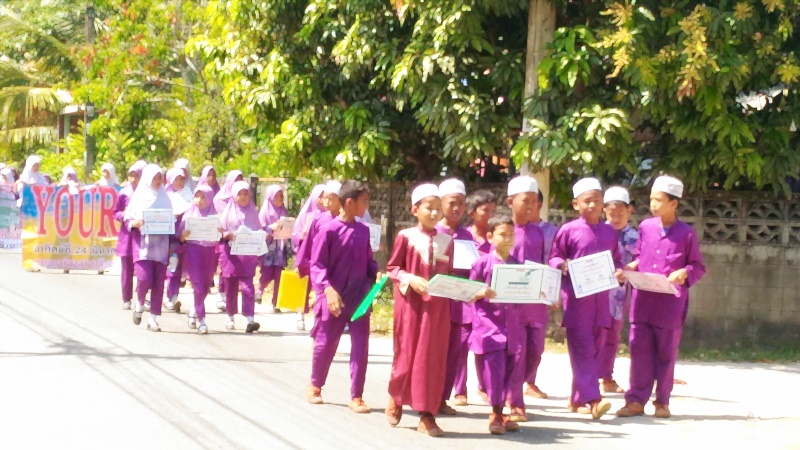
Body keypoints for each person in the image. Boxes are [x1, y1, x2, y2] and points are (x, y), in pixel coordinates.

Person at [616, 176, 706, 419]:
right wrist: (629, 268)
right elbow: (639, 257)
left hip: (669, 306)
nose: (653, 204)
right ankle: (635, 400)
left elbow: (698, 266)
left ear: (673, 204)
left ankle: (662, 402)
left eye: (658, 200)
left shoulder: (686, 234)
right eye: (651, 199)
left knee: (666, 353)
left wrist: (684, 272)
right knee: (639, 351)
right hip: (642, 302)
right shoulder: (645, 227)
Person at [549, 177, 623, 420]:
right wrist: (563, 265)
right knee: (582, 350)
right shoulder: (568, 230)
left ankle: (577, 399)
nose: (592, 205)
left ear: (603, 204)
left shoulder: (609, 232)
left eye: (597, 201)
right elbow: (554, 257)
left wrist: (619, 272)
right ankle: (593, 399)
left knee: (595, 351)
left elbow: (617, 260)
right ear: (576, 204)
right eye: (587, 201)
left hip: (602, 302)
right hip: (577, 303)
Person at [385, 183, 454, 437]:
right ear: (415, 210)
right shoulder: (406, 237)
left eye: (438, 208)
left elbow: (451, 274)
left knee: (431, 359)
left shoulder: (448, 241)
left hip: (437, 310)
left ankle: (427, 415)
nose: (434, 213)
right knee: (406, 355)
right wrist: (410, 279)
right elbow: (392, 269)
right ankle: (397, 397)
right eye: (429, 207)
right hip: (411, 307)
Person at [307, 180, 377, 414]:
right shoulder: (328, 230)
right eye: (364, 201)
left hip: (360, 298)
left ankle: (357, 396)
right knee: (326, 343)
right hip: (333, 298)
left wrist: (376, 272)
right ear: (349, 202)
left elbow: (368, 261)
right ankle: (315, 385)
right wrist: (327, 290)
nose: (366, 206)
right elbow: (317, 265)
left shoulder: (363, 231)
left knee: (360, 346)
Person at [469, 215, 521, 435]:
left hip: (512, 325)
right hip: (489, 325)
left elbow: (523, 292)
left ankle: (502, 411)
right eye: (502, 234)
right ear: (490, 237)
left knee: (510, 368)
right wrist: (482, 291)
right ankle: (496, 412)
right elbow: (469, 291)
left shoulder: (518, 265)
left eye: (511, 234)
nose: (508, 238)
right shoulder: (482, 263)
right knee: (494, 369)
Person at [504, 176, 547, 422]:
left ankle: (511, 389)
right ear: (511, 202)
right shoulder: (503, 231)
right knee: (517, 353)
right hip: (511, 304)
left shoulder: (538, 233)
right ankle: (515, 401)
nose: (531, 205)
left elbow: (543, 264)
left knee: (535, 351)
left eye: (534, 201)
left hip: (534, 304)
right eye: (525, 200)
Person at [436, 178, 475, 414]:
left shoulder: (467, 236)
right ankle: (428, 398)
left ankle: (442, 398)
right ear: (441, 203)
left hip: (460, 304)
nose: (457, 208)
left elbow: (472, 269)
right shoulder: (434, 233)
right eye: (452, 203)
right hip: (437, 302)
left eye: (461, 203)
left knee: (454, 352)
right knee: (435, 351)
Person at [599, 186, 639, 394]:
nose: (615, 218)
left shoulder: (635, 236)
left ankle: (607, 377)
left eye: (620, 214)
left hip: (619, 296)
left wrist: (631, 267)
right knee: (594, 335)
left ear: (629, 210)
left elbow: (644, 257)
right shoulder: (598, 232)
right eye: (611, 213)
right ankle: (588, 376)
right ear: (604, 211)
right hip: (595, 294)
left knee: (612, 336)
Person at [125, 164, 173, 332]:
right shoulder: (138, 197)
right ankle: (139, 303)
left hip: (161, 247)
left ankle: (153, 319)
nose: (158, 181)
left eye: (160, 177)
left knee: (159, 284)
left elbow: (170, 220)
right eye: (155, 178)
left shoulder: (165, 198)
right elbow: (127, 219)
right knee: (144, 279)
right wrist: (135, 223)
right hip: (143, 247)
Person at [218, 181, 263, 333]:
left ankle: (250, 318)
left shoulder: (253, 212)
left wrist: (262, 236)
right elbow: (219, 231)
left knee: (248, 287)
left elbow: (258, 230)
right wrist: (227, 235)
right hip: (231, 255)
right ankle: (230, 316)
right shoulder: (227, 213)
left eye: (246, 194)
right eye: (240, 194)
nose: (243, 197)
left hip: (247, 255)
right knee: (231, 286)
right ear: (234, 196)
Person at [294, 182, 339, 327]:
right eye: (322, 197)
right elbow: (303, 242)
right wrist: (300, 263)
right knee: (318, 297)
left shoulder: (346, 220)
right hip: (317, 265)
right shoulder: (316, 219)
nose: (324, 201)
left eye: (329, 198)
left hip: (335, 267)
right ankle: (309, 321)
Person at [177, 185, 219, 334]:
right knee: (198, 286)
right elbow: (180, 237)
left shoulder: (216, 216)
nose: (199, 200)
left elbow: (221, 236)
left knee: (206, 286)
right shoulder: (189, 215)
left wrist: (220, 231)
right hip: (193, 251)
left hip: (209, 253)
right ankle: (202, 321)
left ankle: (194, 311)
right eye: (197, 196)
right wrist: (184, 235)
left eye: (203, 197)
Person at [114, 161, 147, 310]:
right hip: (127, 236)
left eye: (136, 176)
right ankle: (126, 298)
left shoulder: (148, 193)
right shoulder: (124, 193)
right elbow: (115, 213)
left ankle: (142, 297)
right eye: (131, 176)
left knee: (142, 268)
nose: (133, 179)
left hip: (142, 236)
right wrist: (124, 214)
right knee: (127, 269)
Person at [213, 170, 244, 310]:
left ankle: (230, 296)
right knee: (225, 266)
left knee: (235, 268)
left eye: (240, 180)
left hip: (240, 239)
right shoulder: (219, 200)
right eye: (236, 180)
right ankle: (221, 294)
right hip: (223, 237)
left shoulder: (242, 197)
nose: (238, 183)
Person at [164, 167, 194, 312]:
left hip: (182, 239)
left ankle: (173, 295)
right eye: (176, 179)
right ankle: (167, 296)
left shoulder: (188, 196)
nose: (179, 182)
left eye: (182, 179)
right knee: (170, 267)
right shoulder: (164, 196)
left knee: (176, 268)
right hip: (167, 238)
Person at [256, 184, 289, 311]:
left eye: (281, 196)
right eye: (277, 196)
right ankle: (259, 290)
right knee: (267, 273)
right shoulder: (264, 211)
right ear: (270, 197)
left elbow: (288, 227)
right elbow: (259, 227)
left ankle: (276, 303)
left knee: (279, 275)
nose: (280, 199)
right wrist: (270, 228)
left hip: (280, 248)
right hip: (268, 247)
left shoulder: (284, 211)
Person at [466, 190, 496, 255]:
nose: (491, 215)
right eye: (486, 210)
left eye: (493, 211)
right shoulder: (463, 236)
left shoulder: (497, 238)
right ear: (472, 214)